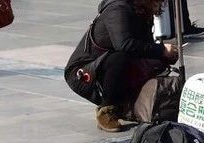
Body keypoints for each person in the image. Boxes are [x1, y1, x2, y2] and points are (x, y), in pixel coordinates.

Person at [65, 0, 179, 132]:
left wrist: (163, 56)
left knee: (150, 60)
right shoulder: (118, 8)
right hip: (84, 74)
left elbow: (144, 45)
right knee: (120, 56)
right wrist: (161, 50)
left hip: (108, 67)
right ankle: (106, 109)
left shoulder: (141, 8)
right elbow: (124, 44)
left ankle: (125, 104)